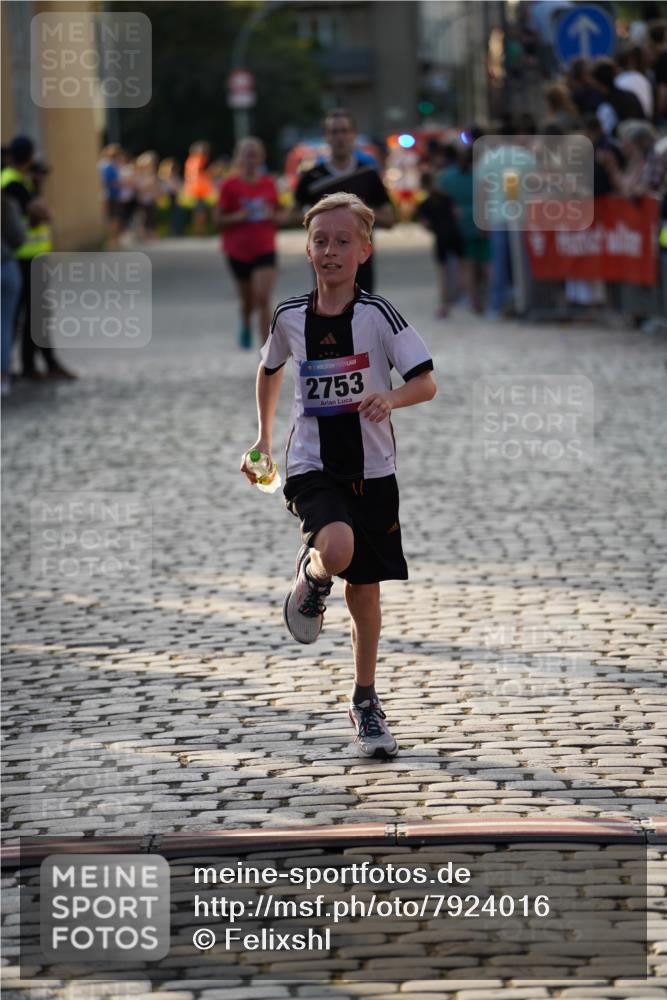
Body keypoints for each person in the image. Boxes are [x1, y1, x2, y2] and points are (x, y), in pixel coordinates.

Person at [240, 192, 436, 759]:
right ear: (307, 249)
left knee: (367, 595)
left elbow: (427, 381)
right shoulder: (289, 318)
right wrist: (262, 437)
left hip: (373, 471)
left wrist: (389, 398)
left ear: (364, 250)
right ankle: (315, 575)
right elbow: (269, 368)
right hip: (311, 465)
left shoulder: (379, 317)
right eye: (321, 241)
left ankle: (365, 699)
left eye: (343, 241)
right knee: (338, 546)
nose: (331, 251)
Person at [293, 109, 395, 293]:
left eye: (344, 131)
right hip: (325, 262)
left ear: (353, 135)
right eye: (334, 132)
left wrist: (358, 212)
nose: (339, 137)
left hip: (360, 262)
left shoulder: (368, 174)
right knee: (327, 318)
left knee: (361, 319)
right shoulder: (312, 177)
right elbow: (289, 216)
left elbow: (390, 220)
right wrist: (318, 215)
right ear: (326, 137)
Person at [1, 135, 75, 379]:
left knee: (33, 313)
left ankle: (30, 364)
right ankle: (22, 366)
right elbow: (42, 212)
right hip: (23, 257)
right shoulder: (13, 183)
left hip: (31, 256)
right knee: (26, 314)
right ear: (30, 156)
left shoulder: (21, 181)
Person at [216, 137, 280, 349]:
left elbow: (280, 214)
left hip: (265, 247)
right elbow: (217, 219)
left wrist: (275, 215)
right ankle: (245, 320)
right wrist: (238, 217)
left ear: (262, 157)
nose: (251, 158)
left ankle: (266, 351)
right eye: (246, 154)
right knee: (248, 301)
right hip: (237, 251)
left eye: (255, 154)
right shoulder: (230, 185)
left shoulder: (269, 183)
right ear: (239, 158)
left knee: (263, 298)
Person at [415, 170, 462, 317]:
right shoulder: (447, 198)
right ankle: (472, 300)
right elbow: (457, 214)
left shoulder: (424, 204)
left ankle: (444, 304)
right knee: (465, 267)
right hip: (454, 234)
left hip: (440, 237)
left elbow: (425, 224)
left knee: (443, 272)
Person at [1, 192, 25, 395]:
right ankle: (2, 377)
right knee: (5, 324)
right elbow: (18, 237)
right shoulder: (6, 204)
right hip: (5, 265)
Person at [592, 57, 646, 136]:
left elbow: (606, 133)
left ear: (598, 83)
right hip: (642, 137)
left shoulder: (606, 106)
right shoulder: (631, 95)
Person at [184, 141, 214, 235]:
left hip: (196, 189)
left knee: (199, 210)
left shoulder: (191, 160)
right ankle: (200, 231)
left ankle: (199, 230)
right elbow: (198, 174)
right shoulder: (198, 160)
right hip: (198, 189)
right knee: (200, 211)